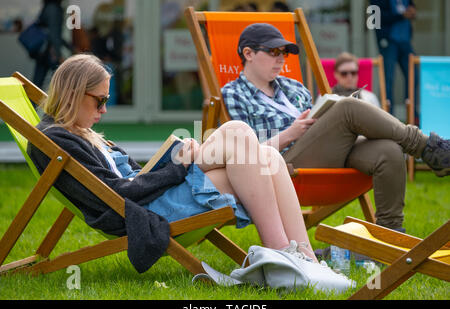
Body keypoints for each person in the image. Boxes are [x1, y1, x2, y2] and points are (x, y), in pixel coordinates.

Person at [27, 54, 333, 272]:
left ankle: (304, 258)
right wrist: (178, 166)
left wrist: (174, 158)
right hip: (141, 211)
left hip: (153, 197)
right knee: (238, 133)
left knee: (267, 156)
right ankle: (280, 255)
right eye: (101, 100)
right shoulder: (57, 141)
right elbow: (119, 194)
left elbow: (133, 176)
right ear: (73, 95)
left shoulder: (81, 133)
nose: (105, 110)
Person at [222, 23, 450, 232]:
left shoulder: (294, 88)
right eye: (273, 52)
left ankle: (389, 234)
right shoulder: (234, 94)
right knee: (348, 106)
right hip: (281, 165)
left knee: (389, 150)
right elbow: (245, 154)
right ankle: (427, 147)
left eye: (284, 52)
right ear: (248, 53)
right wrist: (291, 132)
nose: (281, 59)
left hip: (321, 152)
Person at [370, 0, 418, 122]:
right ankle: (388, 117)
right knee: (388, 80)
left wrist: (412, 10)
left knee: (413, 76)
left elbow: (410, 6)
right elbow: (376, 18)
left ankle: (412, 114)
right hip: (389, 41)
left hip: (405, 41)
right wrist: (401, 15)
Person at [32, 0, 69, 88]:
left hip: (43, 51)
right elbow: (54, 34)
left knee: (38, 82)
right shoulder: (54, 9)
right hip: (50, 52)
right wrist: (59, 55)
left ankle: (32, 101)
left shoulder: (47, 7)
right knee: (60, 81)